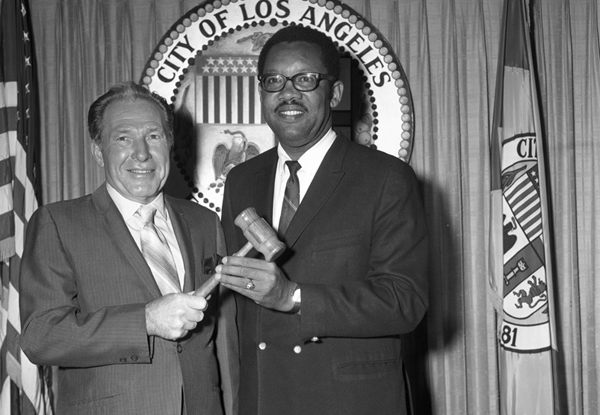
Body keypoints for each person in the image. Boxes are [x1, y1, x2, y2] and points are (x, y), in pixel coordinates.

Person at [217, 25, 429, 415]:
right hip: (264, 401)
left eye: (305, 79)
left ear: (334, 93)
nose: (288, 93)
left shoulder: (385, 178)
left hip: (350, 403)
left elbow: (405, 300)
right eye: (274, 81)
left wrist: (293, 297)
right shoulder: (241, 181)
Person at [20, 82, 236, 415]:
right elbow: (41, 336)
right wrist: (145, 321)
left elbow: (221, 339)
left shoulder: (205, 222)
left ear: (170, 144)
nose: (141, 154)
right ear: (97, 151)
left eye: (154, 136)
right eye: (123, 138)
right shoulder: (57, 223)